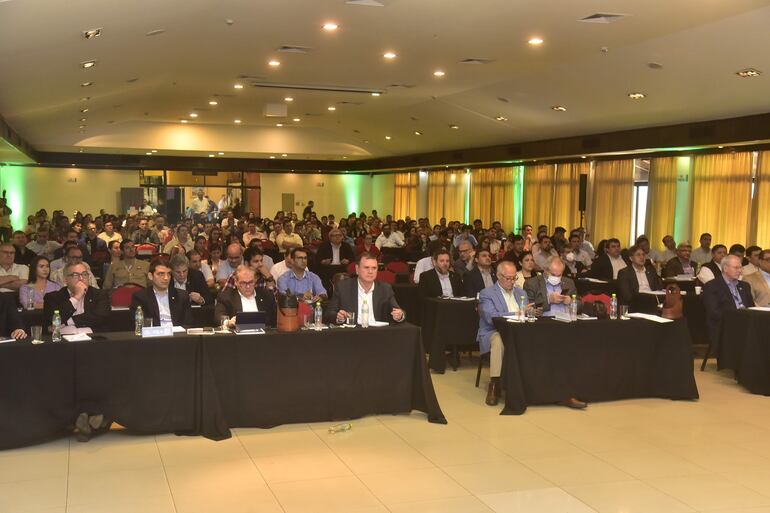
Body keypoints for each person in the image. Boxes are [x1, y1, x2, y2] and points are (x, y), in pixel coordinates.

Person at [476, 261, 529, 405]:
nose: (512, 282)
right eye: (508, 278)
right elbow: (491, 317)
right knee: (499, 340)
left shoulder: (521, 292)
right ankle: (494, 384)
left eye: (514, 278)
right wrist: (518, 313)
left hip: (518, 332)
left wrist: (530, 313)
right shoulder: (487, 293)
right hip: (493, 331)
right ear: (499, 276)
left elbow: (525, 315)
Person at [324, 252, 405, 324]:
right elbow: (329, 313)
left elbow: (399, 311)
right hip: (352, 334)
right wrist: (339, 317)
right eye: (366, 267)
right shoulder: (343, 287)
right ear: (357, 269)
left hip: (378, 335)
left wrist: (399, 315)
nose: (370, 271)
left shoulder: (385, 288)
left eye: (374, 268)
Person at [702, 255, 754, 345]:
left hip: (745, 324)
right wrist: (737, 319)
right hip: (723, 326)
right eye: (736, 268)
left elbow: (751, 307)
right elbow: (714, 312)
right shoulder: (712, 286)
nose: (740, 271)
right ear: (725, 268)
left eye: (741, 268)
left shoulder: (745, 286)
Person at [43, 262, 110, 331]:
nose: (81, 278)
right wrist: (76, 297)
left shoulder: (99, 294)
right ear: (65, 279)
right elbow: (55, 320)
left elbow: (100, 317)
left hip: (92, 338)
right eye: (75, 275)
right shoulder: (52, 297)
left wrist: (67, 322)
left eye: (84, 274)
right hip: (64, 339)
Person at [130, 261, 193, 327]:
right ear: (150, 276)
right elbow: (139, 324)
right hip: (154, 335)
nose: (166, 278)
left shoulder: (182, 296)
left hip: (176, 334)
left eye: (168, 274)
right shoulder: (140, 297)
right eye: (161, 274)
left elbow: (188, 322)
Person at [617, 244, 663, 309]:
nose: (642, 257)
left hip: (652, 302)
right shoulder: (624, 273)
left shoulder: (651, 271)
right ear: (631, 258)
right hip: (635, 303)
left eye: (643, 255)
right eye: (638, 255)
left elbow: (658, 289)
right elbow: (626, 295)